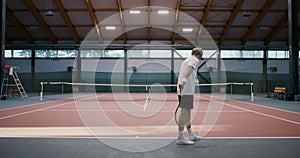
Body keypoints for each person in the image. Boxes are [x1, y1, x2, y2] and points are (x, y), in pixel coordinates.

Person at [176, 47, 202, 145]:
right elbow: (189, 68)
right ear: (200, 55)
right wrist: (184, 81)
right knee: (184, 113)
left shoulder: (186, 60)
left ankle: (190, 133)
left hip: (187, 90)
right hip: (185, 90)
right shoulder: (194, 60)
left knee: (188, 112)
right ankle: (180, 137)